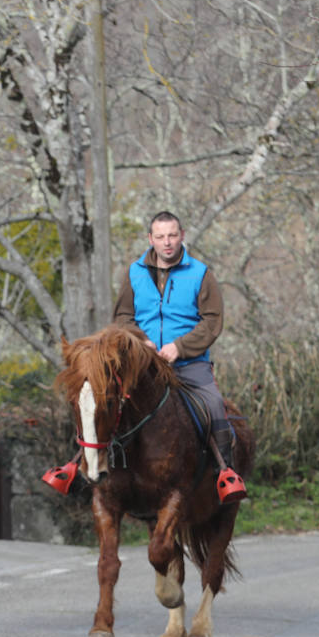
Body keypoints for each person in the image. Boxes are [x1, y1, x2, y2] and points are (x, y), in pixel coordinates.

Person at [111, 210, 247, 502]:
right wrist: (141, 341)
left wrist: (180, 347)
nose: (167, 242)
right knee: (103, 399)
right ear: (151, 239)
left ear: (182, 235)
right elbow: (122, 316)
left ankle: (227, 472)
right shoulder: (135, 272)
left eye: (172, 235)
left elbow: (212, 321)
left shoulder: (200, 273)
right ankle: (78, 465)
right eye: (160, 237)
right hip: (144, 364)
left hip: (189, 364)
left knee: (213, 404)